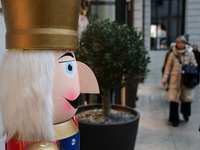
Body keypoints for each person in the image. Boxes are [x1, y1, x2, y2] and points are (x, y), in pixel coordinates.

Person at [162, 36, 197, 127]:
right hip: (175, 80)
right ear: (176, 43)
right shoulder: (172, 54)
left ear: (185, 43)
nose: (180, 44)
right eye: (178, 42)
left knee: (186, 99)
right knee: (174, 100)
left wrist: (190, 64)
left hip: (186, 80)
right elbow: (168, 68)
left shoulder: (190, 53)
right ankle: (174, 119)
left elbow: (195, 64)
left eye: (182, 43)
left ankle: (186, 114)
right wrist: (164, 79)